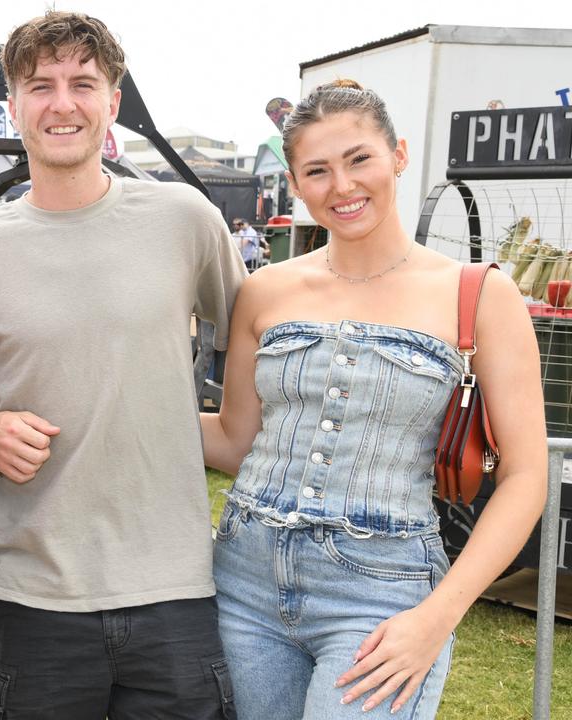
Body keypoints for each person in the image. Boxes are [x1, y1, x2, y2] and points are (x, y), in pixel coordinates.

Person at [0, 11, 246, 719]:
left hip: (176, 592)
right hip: (34, 596)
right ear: (14, 105)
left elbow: (257, 337)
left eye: (82, 83)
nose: (62, 103)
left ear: (112, 103)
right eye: (41, 85)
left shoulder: (184, 220)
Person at [200, 80, 547, 719]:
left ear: (398, 155)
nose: (342, 186)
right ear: (298, 185)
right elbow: (233, 439)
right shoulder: (265, 290)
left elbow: (527, 478)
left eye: (359, 159)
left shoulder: (477, 294)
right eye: (317, 171)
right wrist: (119, 401)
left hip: (381, 593)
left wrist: (437, 618)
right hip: (242, 582)